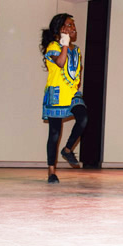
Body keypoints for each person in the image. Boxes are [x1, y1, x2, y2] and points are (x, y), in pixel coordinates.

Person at [41, 14, 87, 184]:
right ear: (60, 28)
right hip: (57, 93)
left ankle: (67, 150)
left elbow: (76, 71)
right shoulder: (53, 46)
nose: (73, 28)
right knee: (54, 133)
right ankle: (51, 171)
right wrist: (65, 44)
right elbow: (60, 63)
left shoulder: (77, 50)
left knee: (83, 118)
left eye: (73, 25)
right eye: (69, 25)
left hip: (72, 92)